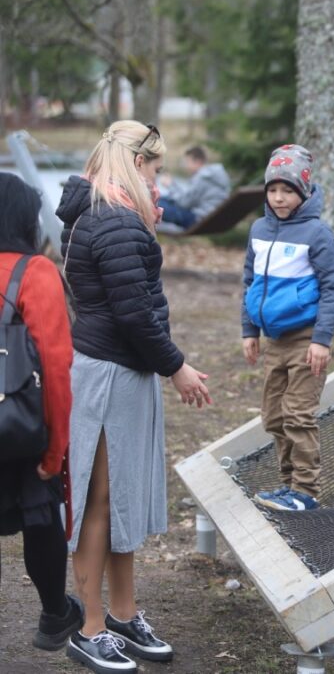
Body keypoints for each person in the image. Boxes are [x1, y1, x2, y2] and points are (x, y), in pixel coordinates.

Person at [56, 120, 212, 673]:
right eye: (156, 169)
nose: (159, 181)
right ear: (136, 164)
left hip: (114, 369)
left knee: (116, 498)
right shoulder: (116, 221)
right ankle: (91, 626)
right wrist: (177, 367)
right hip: (107, 375)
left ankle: (122, 612)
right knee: (99, 501)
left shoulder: (95, 212)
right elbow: (133, 314)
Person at [0, 173, 84, 653]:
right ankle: (55, 616)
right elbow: (56, 366)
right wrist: (55, 452)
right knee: (40, 519)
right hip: (22, 424)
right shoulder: (35, 272)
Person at [242, 144, 334, 512]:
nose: (279, 198)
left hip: (305, 339)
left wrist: (322, 340)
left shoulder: (317, 234)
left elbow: (333, 288)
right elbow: (250, 281)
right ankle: (287, 486)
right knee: (274, 415)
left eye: (287, 190)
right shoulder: (259, 229)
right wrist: (249, 331)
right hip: (273, 340)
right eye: (272, 190)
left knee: (299, 414)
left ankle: (306, 490)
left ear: (303, 191)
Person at [156, 145, 231, 230]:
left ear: (198, 161)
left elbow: (185, 203)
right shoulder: (216, 175)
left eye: (188, 162)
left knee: (156, 203)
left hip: (199, 219)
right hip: (212, 218)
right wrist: (173, 185)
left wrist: (170, 186)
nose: (186, 166)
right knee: (163, 199)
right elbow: (188, 197)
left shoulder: (203, 177)